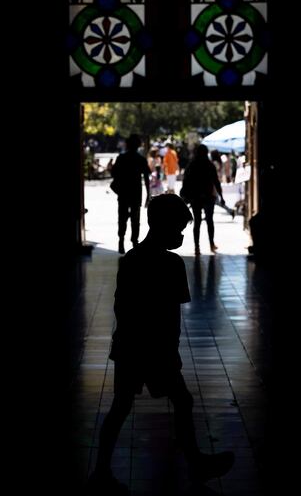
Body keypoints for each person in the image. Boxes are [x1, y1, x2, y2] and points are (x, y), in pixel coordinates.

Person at [85, 194, 235, 495]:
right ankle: (194, 461)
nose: (180, 236)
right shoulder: (171, 264)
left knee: (121, 406)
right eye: (179, 229)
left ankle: (101, 468)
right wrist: (170, 350)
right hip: (158, 349)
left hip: (130, 345)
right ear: (166, 227)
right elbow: (171, 315)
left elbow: (121, 308)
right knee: (182, 400)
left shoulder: (131, 260)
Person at [180, 144, 225, 256]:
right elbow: (216, 181)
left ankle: (197, 247)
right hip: (209, 196)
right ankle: (211, 244)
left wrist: (185, 196)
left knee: (197, 222)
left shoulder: (192, 165)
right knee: (210, 221)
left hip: (195, 197)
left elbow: (185, 181)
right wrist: (221, 196)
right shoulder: (209, 165)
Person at [110, 134, 151, 254]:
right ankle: (134, 241)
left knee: (122, 217)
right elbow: (146, 179)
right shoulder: (141, 159)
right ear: (138, 145)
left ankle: (121, 241)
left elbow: (113, 174)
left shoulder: (121, 158)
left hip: (123, 192)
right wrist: (148, 195)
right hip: (135, 193)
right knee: (135, 218)